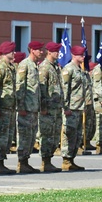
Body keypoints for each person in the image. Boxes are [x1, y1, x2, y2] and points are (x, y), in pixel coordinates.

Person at [15, 42, 44, 173]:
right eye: (39, 50)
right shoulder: (24, 65)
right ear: (32, 50)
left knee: (31, 136)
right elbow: (20, 86)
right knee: (24, 136)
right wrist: (20, 106)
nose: (41, 52)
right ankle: (21, 162)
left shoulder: (35, 66)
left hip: (33, 108)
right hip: (26, 109)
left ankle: (26, 161)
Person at [61, 45, 87, 171]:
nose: (83, 57)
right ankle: (66, 160)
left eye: (83, 55)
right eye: (80, 55)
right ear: (73, 55)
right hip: (71, 107)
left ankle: (71, 159)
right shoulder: (68, 69)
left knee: (77, 135)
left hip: (79, 107)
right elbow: (65, 89)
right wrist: (65, 107)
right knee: (69, 133)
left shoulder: (80, 69)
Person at [38, 42, 63, 173]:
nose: (58, 54)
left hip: (56, 107)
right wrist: (43, 106)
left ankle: (49, 159)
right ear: (49, 52)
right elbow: (42, 88)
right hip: (47, 108)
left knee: (54, 135)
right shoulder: (44, 67)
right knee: (46, 134)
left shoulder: (56, 67)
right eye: (56, 51)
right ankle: (45, 161)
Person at [0, 42, 17, 173]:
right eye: (11, 51)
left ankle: (2, 161)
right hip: (3, 106)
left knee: (7, 136)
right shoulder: (0, 68)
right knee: (1, 135)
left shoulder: (10, 67)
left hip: (10, 106)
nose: (14, 54)